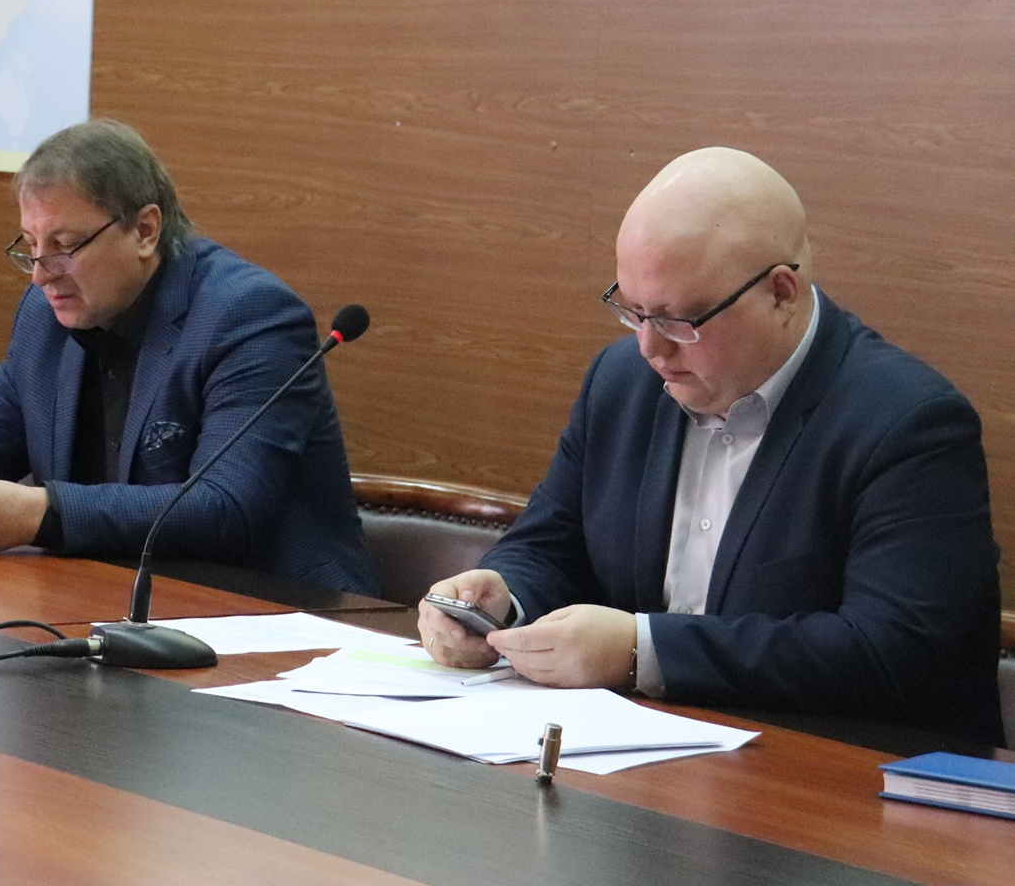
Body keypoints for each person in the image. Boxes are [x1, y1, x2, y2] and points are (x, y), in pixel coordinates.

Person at [418, 147, 1002, 745]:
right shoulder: (622, 383)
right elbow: (553, 544)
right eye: (633, 312)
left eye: (679, 320)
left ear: (781, 294)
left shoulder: (908, 424)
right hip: (638, 758)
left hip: (840, 774)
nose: (650, 348)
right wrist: (500, 597)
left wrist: (641, 651)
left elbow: (888, 654)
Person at [0, 119, 378, 594]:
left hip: (279, 615)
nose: (41, 275)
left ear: (145, 230)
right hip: (110, 597)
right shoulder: (47, 313)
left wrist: (39, 512)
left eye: (64, 246)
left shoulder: (249, 316)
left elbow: (224, 508)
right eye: (30, 247)